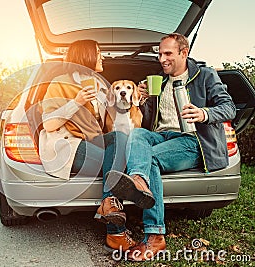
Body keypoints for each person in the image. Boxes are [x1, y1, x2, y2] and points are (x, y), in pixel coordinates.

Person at [105, 33, 236, 261]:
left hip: (192, 140)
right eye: (159, 54)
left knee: (151, 159)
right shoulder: (160, 81)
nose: (162, 59)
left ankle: (155, 235)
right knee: (137, 134)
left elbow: (229, 108)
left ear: (183, 53)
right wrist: (143, 101)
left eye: (168, 53)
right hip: (162, 136)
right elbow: (150, 120)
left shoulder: (204, 75)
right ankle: (139, 180)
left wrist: (204, 113)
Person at [39, 40, 136, 252]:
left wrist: (138, 99)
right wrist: (77, 101)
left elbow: (110, 121)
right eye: (99, 52)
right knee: (117, 165)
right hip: (67, 145)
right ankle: (116, 233)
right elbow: (49, 124)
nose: (102, 57)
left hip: (94, 142)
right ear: (86, 56)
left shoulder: (100, 85)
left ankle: (108, 203)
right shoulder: (59, 83)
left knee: (119, 137)